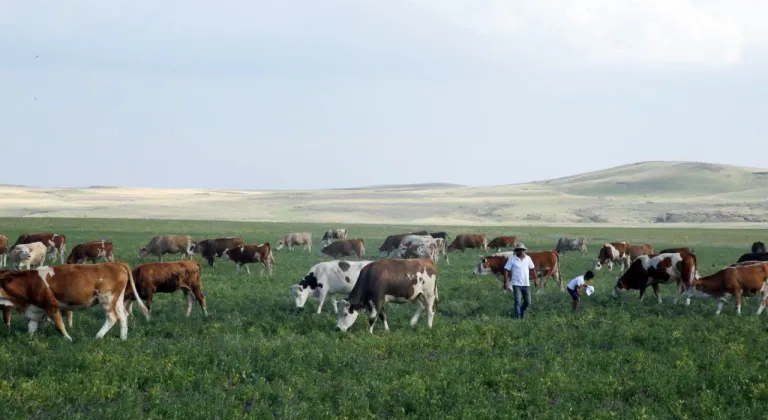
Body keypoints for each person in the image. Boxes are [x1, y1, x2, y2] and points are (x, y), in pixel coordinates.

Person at [503, 243, 536, 319]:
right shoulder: (512, 259)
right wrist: (506, 282)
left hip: (526, 284)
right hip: (516, 284)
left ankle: (521, 311)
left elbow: (532, 269)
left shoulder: (528, 258)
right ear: (516, 251)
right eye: (517, 250)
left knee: (528, 302)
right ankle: (518, 319)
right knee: (518, 301)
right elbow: (506, 270)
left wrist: (535, 279)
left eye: (521, 250)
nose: (519, 252)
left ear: (524, 251)